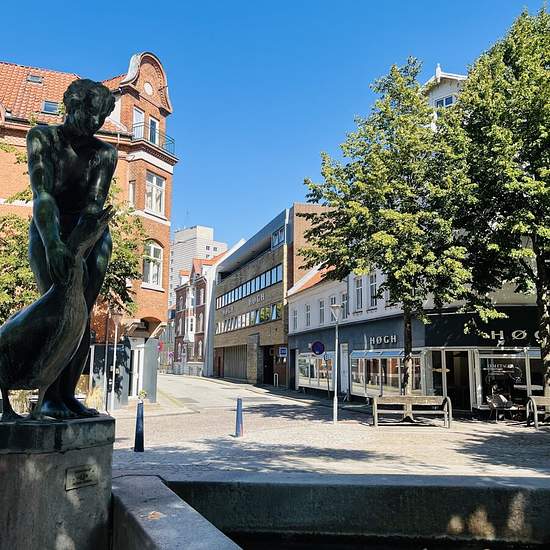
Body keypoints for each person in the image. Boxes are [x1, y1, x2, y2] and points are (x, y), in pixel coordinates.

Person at [27, 79, 117, 418]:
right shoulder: (42, 138)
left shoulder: (105, 154)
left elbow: (94, 205)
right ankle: (48, 396)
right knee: (55, 310)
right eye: (89, 114)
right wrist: (53, 244)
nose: (95, 123)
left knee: (80, 316)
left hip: (91, 235)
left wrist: (78, 249)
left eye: (101, 118)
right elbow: (43, 195)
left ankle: (67, 395)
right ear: (72, 105)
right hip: (48, 228)